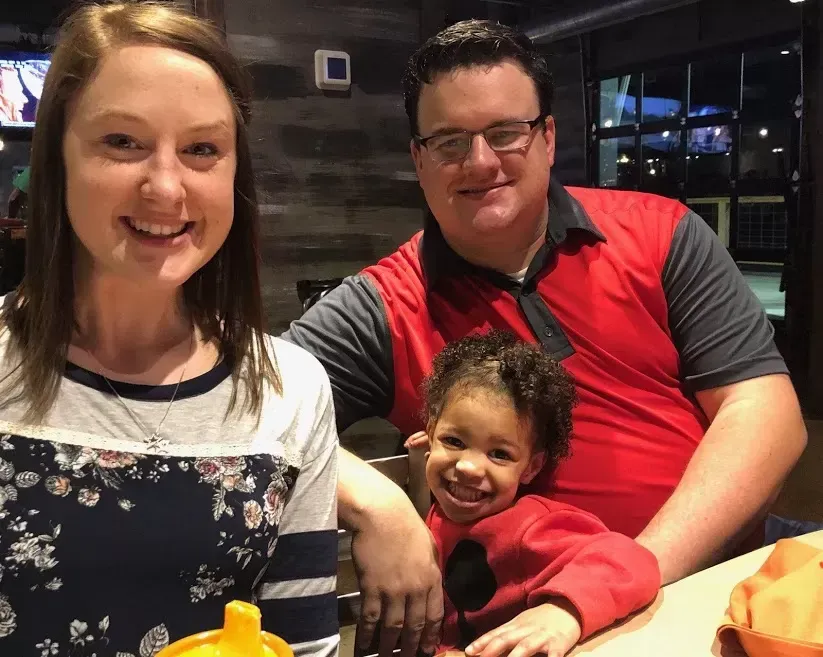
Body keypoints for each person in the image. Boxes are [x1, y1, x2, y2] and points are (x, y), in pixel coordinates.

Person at [282, 19, 808, 656]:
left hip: (722, 578)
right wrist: (376, 501)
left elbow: (766, 414)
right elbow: (249, 414)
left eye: (505, 132)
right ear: (418, 160)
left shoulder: (662, 233)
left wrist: (627, 577)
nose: (480, 162)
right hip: (525, 628)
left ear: (548, 137)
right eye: (449, 141)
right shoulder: (382, 304)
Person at [0, 4, 337, 657]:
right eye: (122, 142)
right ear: (57, 158)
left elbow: (302, 645)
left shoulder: (292, 390)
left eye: (202, 149)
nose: (165, 186)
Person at [411, 330, 660, 657]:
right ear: (430, 434)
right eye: (454, 441)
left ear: (531, 468)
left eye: (499, 454)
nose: (469, 467)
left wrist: (562, 614)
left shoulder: (531, 527)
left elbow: (633, 560)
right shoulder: (444, 508)